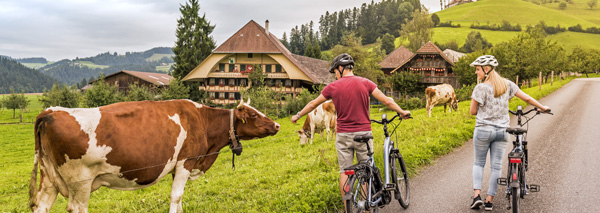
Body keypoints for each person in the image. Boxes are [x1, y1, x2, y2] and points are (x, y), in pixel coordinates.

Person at [291, 53, 411, 208]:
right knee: (366, 170)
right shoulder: (366, 83)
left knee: (344, 172)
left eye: (334, 71)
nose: (335, 75)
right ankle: (366, 206)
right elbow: (386, 100)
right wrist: (401, 112)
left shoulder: (332, 87)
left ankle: (347, 208)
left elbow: (313, 103)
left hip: (343, 136)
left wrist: (298, 115)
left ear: (341, 68)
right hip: (363, 135)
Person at [468, 55, 550, 211]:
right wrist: (542, 107)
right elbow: (526, 98)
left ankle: (477, 196)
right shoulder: (507, 84)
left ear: (486, 69)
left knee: (479, 163)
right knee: (496, 167)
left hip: (483, 130)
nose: (476, 73)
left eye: (478, 69)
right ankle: (489, 201)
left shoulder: (480, 88)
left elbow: (472, 111)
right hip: (502, 131)